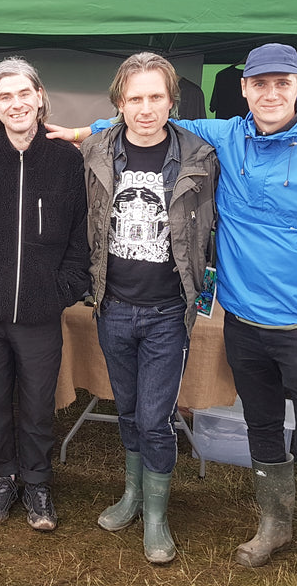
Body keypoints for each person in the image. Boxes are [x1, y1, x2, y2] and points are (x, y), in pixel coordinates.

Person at [49, 43, 297, 586]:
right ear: (246, 89)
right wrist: (85, 131)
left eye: (283, 82)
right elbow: (148, 117)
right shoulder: (227, 138)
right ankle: (274, 527)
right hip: (246, 324)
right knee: (262, 429)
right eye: (260, 84)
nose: (271, 93)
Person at [79, 52, 218, 563]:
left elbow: (216, 224)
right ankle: (132, 496)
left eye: (155, 97)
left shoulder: (199, 156)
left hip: (166, 312)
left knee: (156, 419)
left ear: (171, 101)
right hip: (113, 306)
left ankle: (157, 516)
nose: (145, 108)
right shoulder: (96, 150)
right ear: (119, 102)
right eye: (135, 98)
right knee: (129, 412)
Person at [0, 58, 89, 531]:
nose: (16, 103)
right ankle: (3, 477)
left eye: (23, 93)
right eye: (4, 96)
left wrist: (63, 288)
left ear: (40, 97)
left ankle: (39, 484)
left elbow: (79, 237)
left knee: (36, 403)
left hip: (40, 313)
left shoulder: (67, 161)